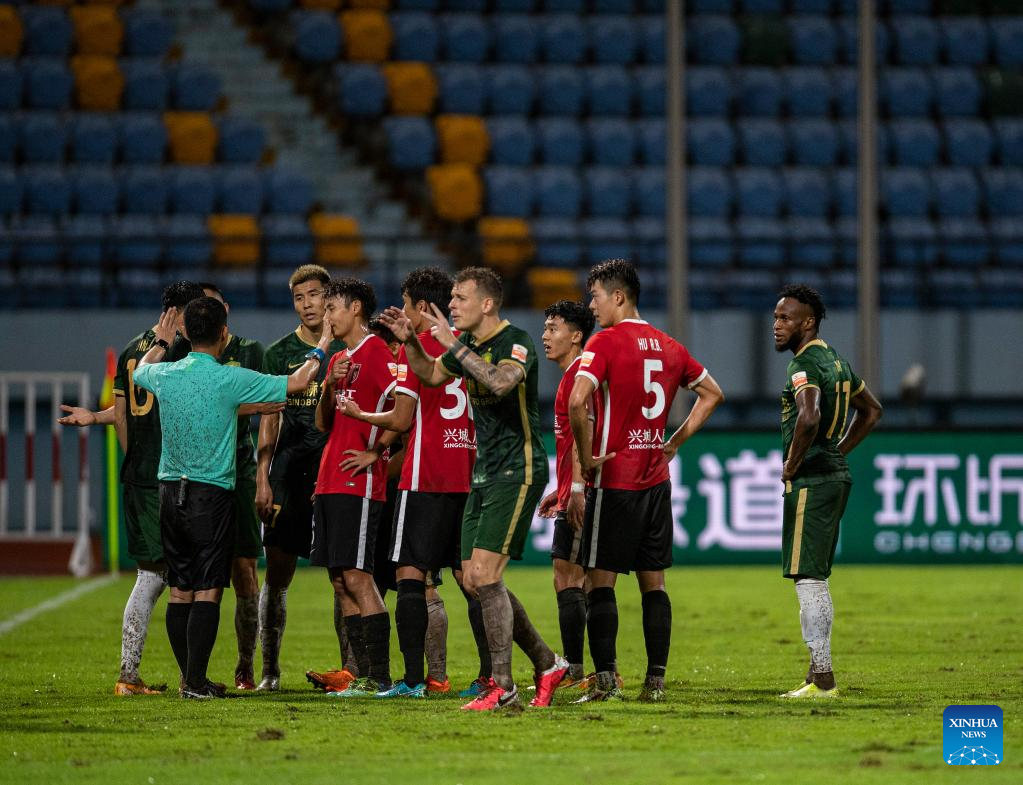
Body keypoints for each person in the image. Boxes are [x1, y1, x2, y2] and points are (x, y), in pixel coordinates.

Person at [379, 266, 567, 712]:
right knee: (474, 578)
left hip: (516, 470)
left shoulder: (515, 341)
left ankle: (503, 686)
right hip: (482, 473)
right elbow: (430, 376)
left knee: (484, 576)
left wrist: (452, 344)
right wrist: (411, 342)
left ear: (487, 303)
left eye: (460, 298)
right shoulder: (466, 343)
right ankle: (547, 663)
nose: (452, 305)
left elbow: (501, 382)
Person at [132, 297, 332, 698]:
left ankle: (189, 679)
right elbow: (299, 381)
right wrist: (323, 343)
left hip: (169, 492)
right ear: (224, 334)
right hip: (210, 494)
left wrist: (161, 340)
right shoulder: (229, 378)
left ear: (187, 333)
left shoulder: (165, 373)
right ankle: (196, 682)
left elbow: (140, 371)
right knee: (208, 588)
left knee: (180, 589)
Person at [568, 259, 724, 703]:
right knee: (653, 585)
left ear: (618, 296)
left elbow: (577, 402)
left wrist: (586, 458)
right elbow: (713, 393)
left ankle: (606, 683)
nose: (591, 305)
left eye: (596, 296)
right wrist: (674, 441)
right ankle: (655, 683)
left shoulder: (604, 342)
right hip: (656, 480)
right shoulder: (670, 346)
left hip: (615, 481)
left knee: (600, 583)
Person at [58, 281, 206, 696]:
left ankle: (153, 674)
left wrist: (111, 432)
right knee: (164, 576)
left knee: (161, 574)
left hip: (139, 475)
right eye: (194, 311)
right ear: (178, 313)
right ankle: (138, 673)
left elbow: (123, 417)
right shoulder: (181, 351)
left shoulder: (129, 350)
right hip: (171, 477)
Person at [339, 268, 475, 699]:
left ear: (421, 307)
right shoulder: (468, 347)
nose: (403, 312)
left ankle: (414, 679)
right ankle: (491, 675)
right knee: (473, 579)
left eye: (406, 303)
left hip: (424, 475)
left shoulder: (418, 350)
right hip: (467, 474)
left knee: (410, 575)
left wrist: (360, 416)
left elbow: (401, 419)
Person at [773, 284, 882, 699]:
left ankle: (823, 679)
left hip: (813, 480)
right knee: (813, 573)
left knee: (808, 576)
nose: (777, 325)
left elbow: (809, 415)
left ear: (809, 322)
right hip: (833, 474)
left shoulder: (803, 364)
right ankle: (814, 675)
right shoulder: (837, 361)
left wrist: (792, 463)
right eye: (776, 317)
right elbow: (872, 411)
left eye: (785, 318)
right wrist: (839, 450)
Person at [254, 265, 345, 692]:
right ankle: (270, 670)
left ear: (329, 297)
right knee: (277, 573)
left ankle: (351, 670)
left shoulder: (350, 346)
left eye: (313, 295)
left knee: (344, 574)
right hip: (289, 473)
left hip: (336, 470)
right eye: (298, 297)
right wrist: (263, 476)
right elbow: (269, 417)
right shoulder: (279, 353)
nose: (307, 304)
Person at [311, 278, 397, 698]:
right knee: (339, 581)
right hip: (329, 480)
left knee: (359, 577)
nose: (326, 315)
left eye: (332, 307)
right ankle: (359, 675)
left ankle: (379, 677)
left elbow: (405, 411)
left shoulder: (377, 351)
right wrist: (329, 384)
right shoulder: (339, 359)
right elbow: (322, 423)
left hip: (358, 484)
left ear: (356, 308)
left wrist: (376, 452)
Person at [198, 282, 275, 691]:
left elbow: (271, 407)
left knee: (244, 571)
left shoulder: (250, 351)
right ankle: (194, 670)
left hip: (239, 473)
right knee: (197, 578)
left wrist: (263, 477)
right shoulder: (184, 355)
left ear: (225, 310)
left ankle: (245, 664)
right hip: (196, 476)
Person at [537, 300, 596, 689]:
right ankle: (595, 670)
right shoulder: (576, 374)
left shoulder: (578, 376)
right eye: (546, 327)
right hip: (576, 488)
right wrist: (559, 489)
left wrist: (574, 489)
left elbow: (584, 433)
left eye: (553, 328)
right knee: (585, 581)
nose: (545, 335)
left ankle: (574, 670)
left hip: (582, 493)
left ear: (576, 336)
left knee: (567, 577)